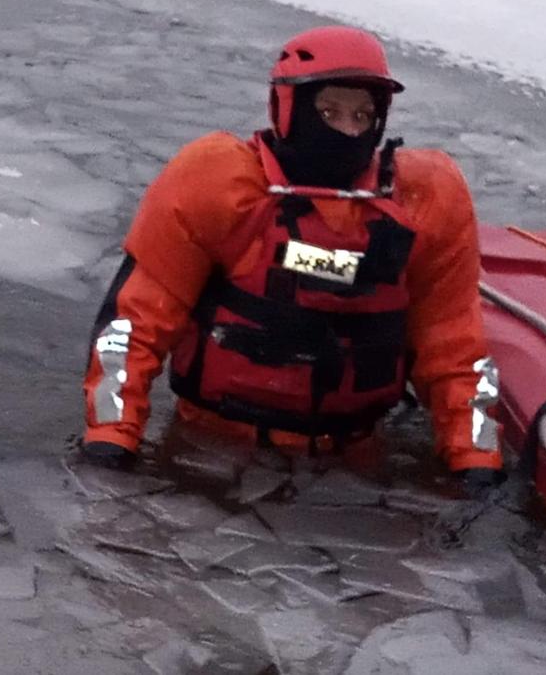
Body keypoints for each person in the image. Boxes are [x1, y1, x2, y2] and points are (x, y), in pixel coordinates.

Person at [77, 25, 506, 497]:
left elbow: (456, 348)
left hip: (353, 465)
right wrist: (110, 440)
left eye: (363, 115)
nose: (348, 130)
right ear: (288, 109)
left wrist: (476, 458)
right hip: (208, 451)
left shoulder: (424, 204)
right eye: (329, 112)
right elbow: (131, 330)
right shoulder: (215, 185)